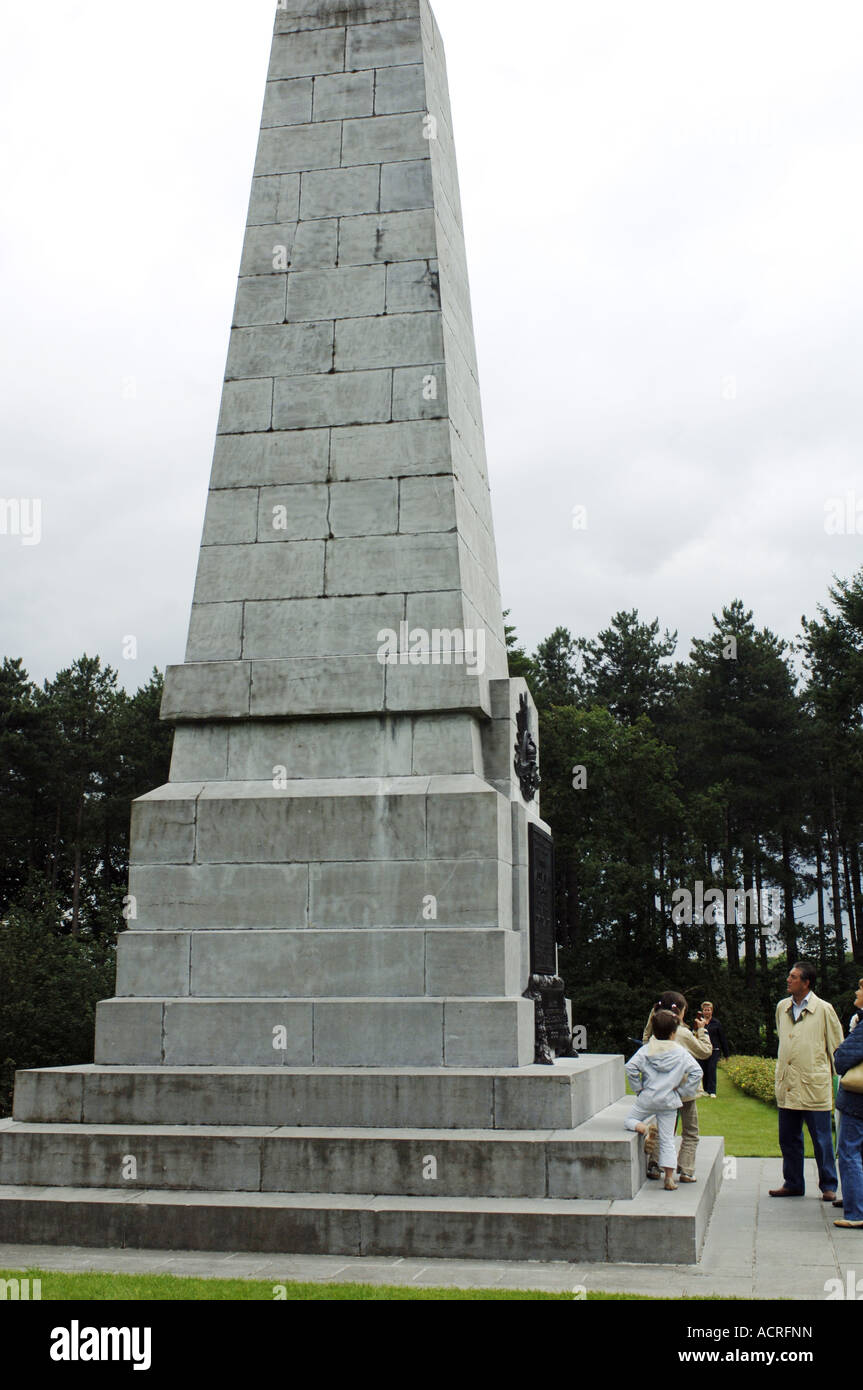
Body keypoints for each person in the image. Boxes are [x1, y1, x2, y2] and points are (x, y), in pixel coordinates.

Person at [770, 960, 843, 1200]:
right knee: (788, 1138)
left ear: (806, 982)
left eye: (793, 977)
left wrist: (838, 1081)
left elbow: (837, 1048)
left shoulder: (824, 1009)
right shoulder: (782, 1007)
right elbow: (784, 1038)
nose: (788, 980)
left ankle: (829, 1185)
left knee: (821, 1140)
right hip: (788, 1084)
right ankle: (793, 1183)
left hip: (814, 1085)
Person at [625, 1009, 704, 1191]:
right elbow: (697, 1072)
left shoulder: (646, 1050)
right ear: (673, 1033)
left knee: (630, 1120)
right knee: (668, 1139)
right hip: (669, 1100)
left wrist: (638, 1088)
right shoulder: (680, 1053)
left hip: (647, 1098)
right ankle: (669, 1177)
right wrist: (683, 1091)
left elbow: (630, 1068)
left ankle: (645, 1129)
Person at [642, 991, 712, 1182]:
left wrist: (652, 1016)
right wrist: (702, 1030)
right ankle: (686, 1169)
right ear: (679, 1011)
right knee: (690, 1131)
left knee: (664, 1128)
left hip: (664, 1090)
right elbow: (705, 1051)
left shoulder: (655, 1036)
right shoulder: (683, 1033)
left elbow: (645, 1039)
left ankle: (654, 1164)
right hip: (686, 1091)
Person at [833, 978, 863, 1229]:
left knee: (849, 1152)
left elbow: (841, 1058)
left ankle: (855, 1212)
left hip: (856, 1101)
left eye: (861, 988)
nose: (856, 991)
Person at [699, 1001, 729, 1098]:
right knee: (704, 1069)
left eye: (708, 1010)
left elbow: (722, 1038)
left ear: (711, 1011)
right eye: (705, 1010)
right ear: (702, 1011)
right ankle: (706, 1090)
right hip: (703, 1049)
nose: (707, 1012)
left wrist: (726, 1054)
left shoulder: (716, 1023)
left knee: (711, 1068)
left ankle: (712, 1091)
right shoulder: (699, 1023)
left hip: (714, 1049)